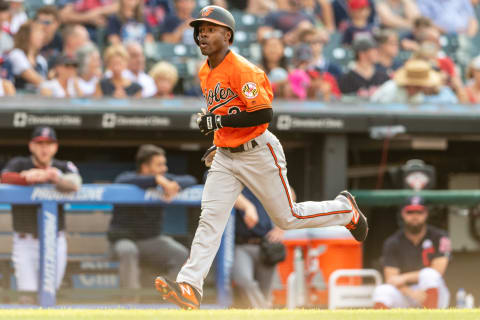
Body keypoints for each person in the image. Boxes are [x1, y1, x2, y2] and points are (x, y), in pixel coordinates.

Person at [154, 5, 368, 310]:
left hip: (258, 151)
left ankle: (345, 210)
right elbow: (222, 114)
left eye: (210, 28)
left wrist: (220, 124)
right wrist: (218, 141)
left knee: (287, 217)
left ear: (227, 35)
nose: (202, 33)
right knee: (210, 220)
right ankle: (190, 286)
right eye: (199, 29)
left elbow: (264, 113)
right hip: (228, 156)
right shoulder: (205, 71)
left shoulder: (244, 69)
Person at [1, 126, 82, 304]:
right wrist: (26, 178)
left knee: (50, 295)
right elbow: (4, 177)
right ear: (31, 146)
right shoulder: (19, 163)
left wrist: (52, 177)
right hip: (25, 241)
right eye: (40, 144)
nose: (44, 148)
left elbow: (76, 183)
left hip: (55, 240)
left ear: (55, 147)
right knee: (27, 296)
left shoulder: (63, 166)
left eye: (49, 144)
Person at [108, 144, 196, 292]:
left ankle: (168, 297)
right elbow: (122, 180)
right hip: (123, 241)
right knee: (128, 251)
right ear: (145, 167)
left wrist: (175, 185)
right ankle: (131, 305)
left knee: (181, 254)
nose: (165, 168)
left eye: (164, 164)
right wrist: (156, 180)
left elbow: (191, 179)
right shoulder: (127, 179)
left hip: (151, 240)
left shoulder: (165, 179)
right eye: (159, 165)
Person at [372, 196, 451, 309]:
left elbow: (437, 271)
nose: (415, 216)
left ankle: (431, 316)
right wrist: (411, 293)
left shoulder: (440, 237)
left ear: (426, 214)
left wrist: (404, 278)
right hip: (406, 292)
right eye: (410, 212)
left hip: (434, 292)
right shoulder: (392, 242)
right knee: (382, 291)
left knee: (429, 274)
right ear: (403, 214)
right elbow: (391, 278)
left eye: (419, 212)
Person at [232, 187, 286, 309]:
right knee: (244, 281)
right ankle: (266, 312)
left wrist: (281, 227)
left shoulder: (263, 173)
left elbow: (289, 194)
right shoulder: (233, 175)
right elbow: (227, 192)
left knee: (265, 292)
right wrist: (248, 206)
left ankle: (263, 311)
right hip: (241, 243)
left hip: (266, 244)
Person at [7, 21, 47, 91]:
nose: (42, 36)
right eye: (38, 33)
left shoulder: (41, 60)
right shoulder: (16, 54)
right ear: (26, 35)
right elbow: (36, 79)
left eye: (42, 33)